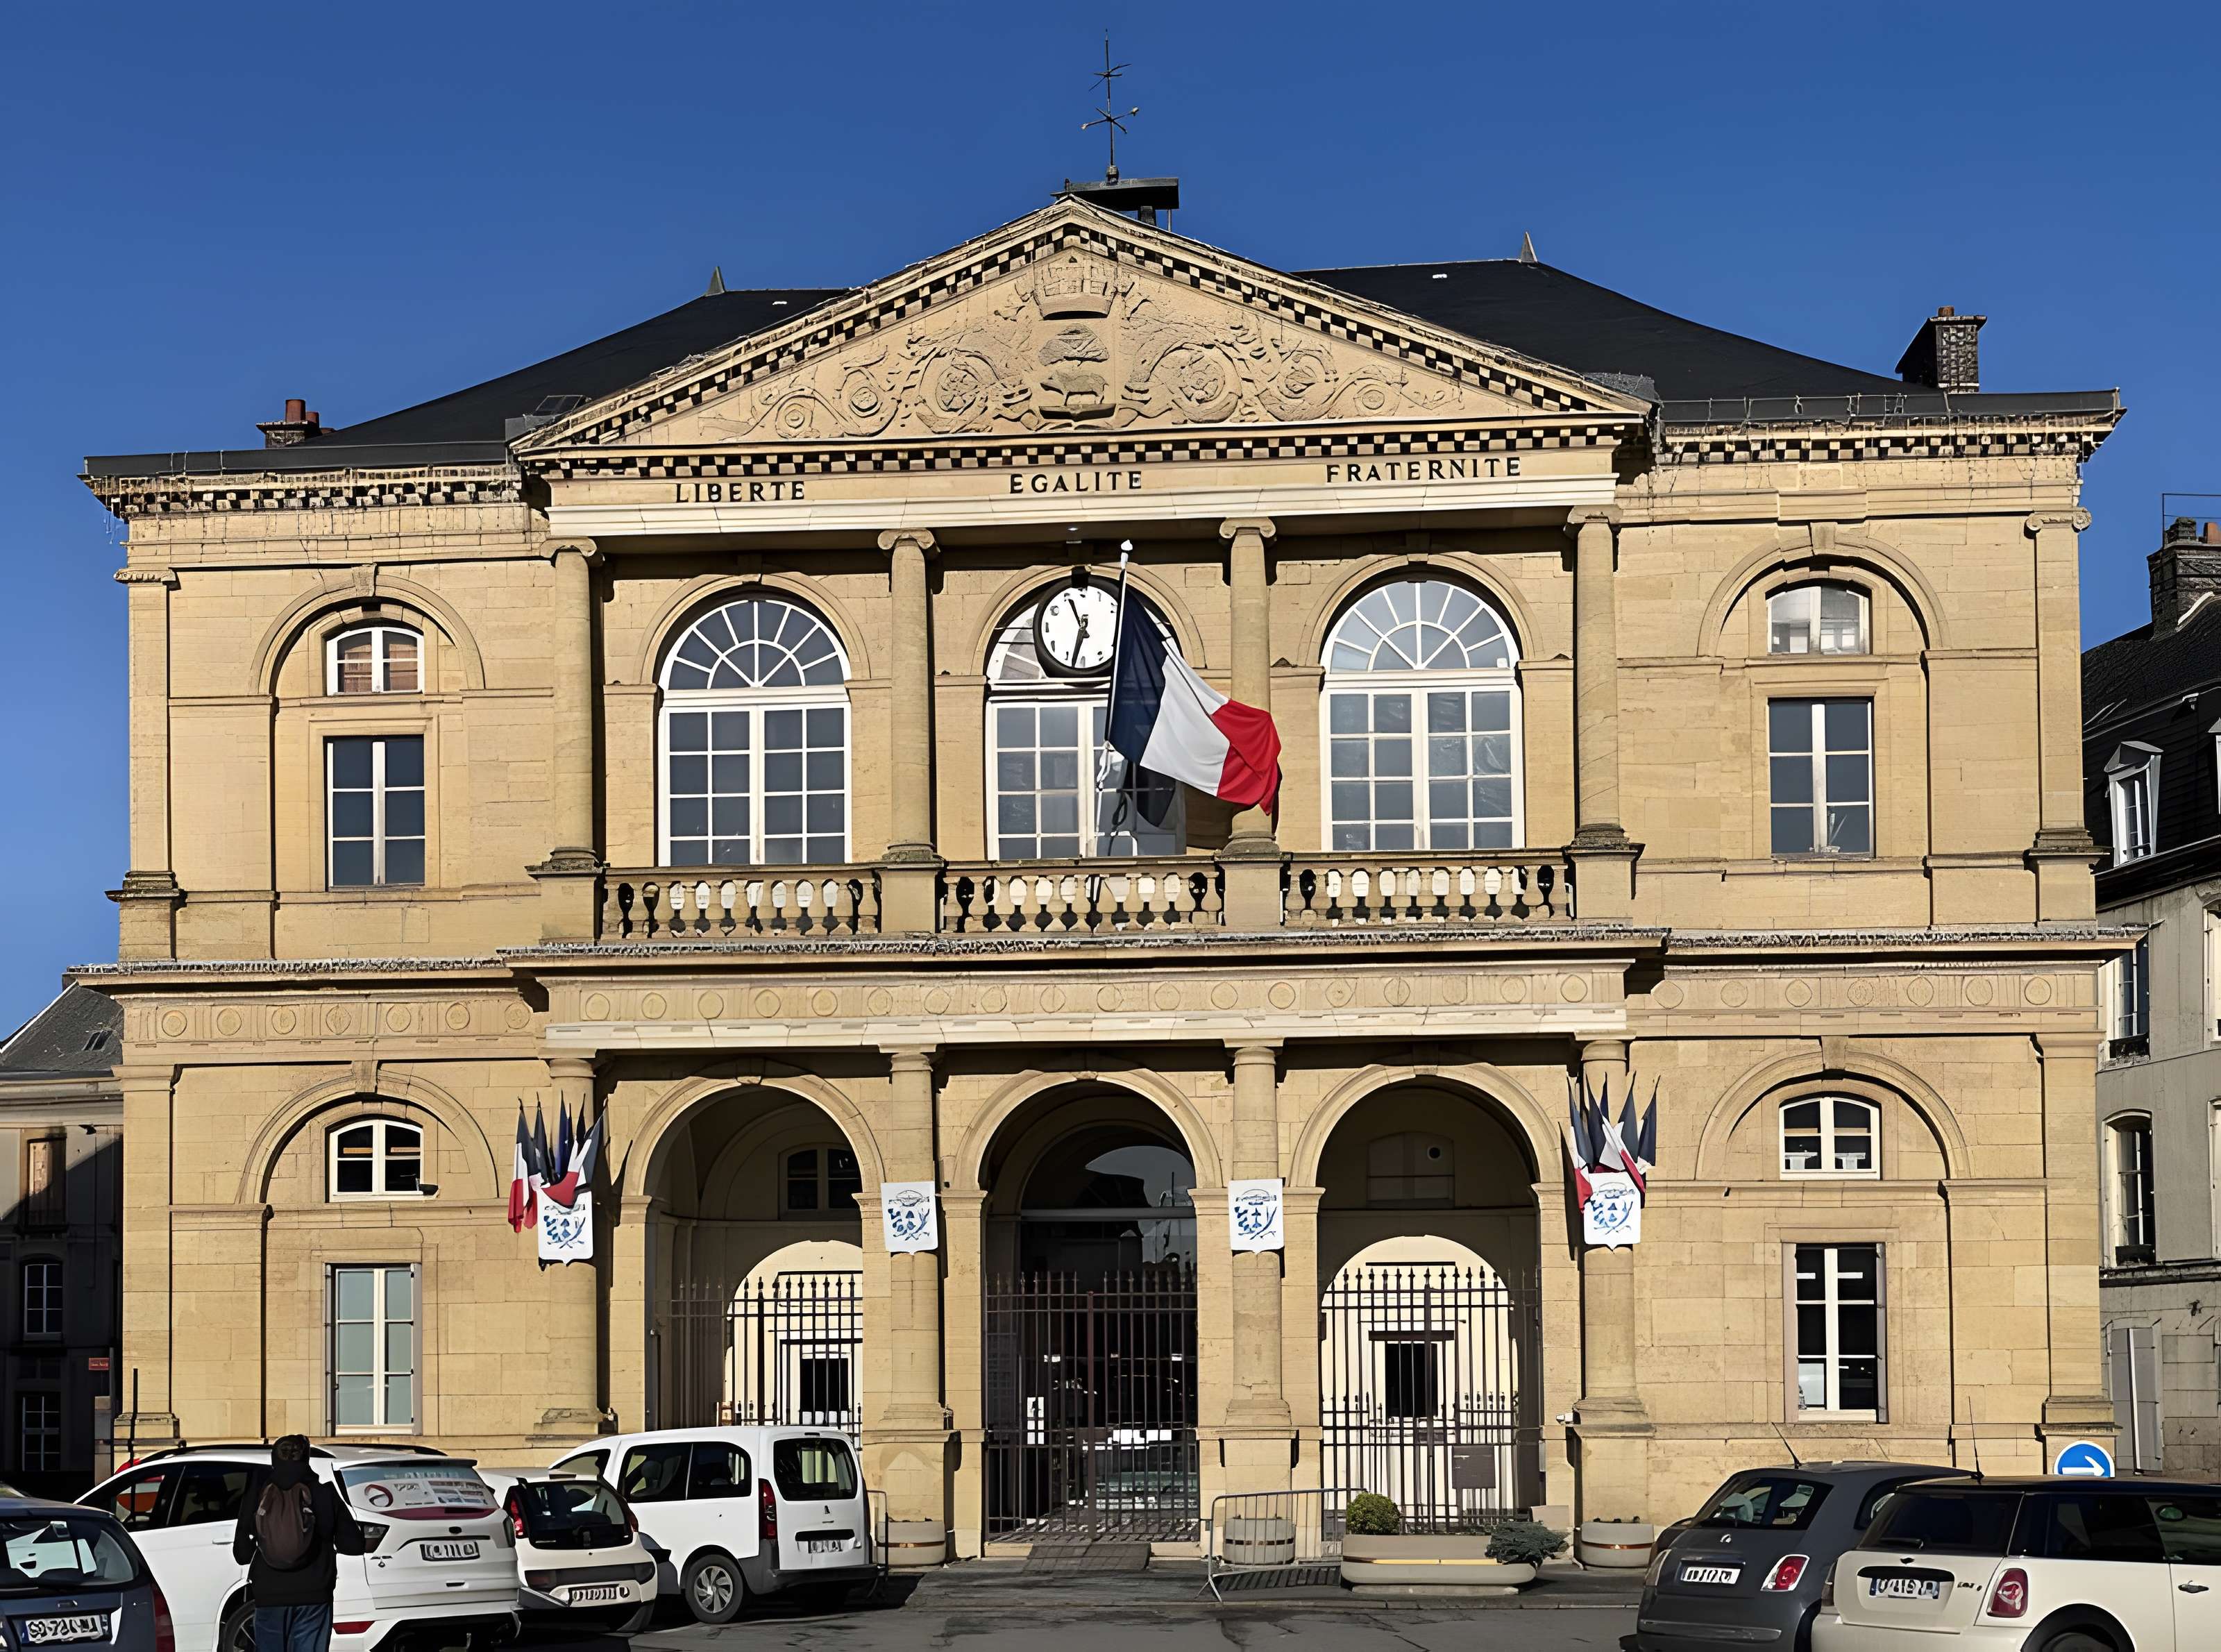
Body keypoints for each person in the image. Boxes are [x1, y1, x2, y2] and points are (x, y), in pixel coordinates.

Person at [230, 1435, 364, 1652]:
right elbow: (354, 1546)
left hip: (269, 1596)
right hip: (314, 1595)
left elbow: (241, 1554)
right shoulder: (324, 1493)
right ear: (307, 1460)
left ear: (274, 1461)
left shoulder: (259, 1496)